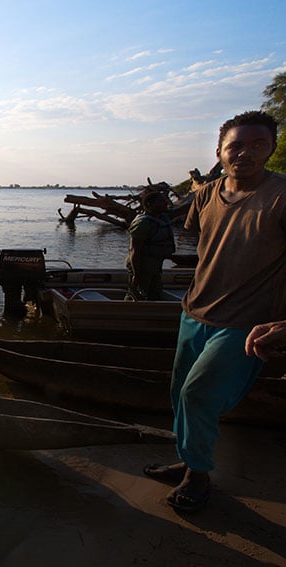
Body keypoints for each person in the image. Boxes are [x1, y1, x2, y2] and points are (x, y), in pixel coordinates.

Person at [143, 111, 286, 513]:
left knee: (199, 393)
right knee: (179, 393)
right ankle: (188, 458)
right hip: (195, 311)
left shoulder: (280, 195)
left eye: (258, 144)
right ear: (220, 152)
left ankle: (199, 475)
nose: (245, 153)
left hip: (246, 322)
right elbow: (207, 244)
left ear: (271, 148)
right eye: (235, 145)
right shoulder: (207, 194)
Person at [125, 190, 175, 300]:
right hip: (142, 266)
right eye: (161, 201)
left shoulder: (161, 218)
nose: (165, 203)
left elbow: (180, 211)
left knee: (155, 294)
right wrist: (136, 274)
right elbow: (134, 250)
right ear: (149, 204)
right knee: (136, 296)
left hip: (155, 265)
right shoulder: (142, 223)